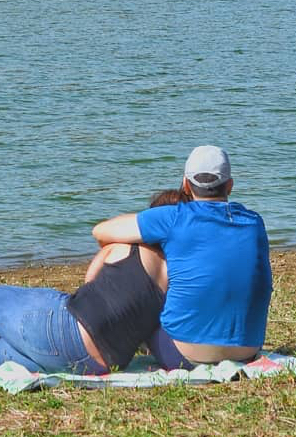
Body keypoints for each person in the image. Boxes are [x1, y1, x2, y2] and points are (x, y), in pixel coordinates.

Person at [0, 189, 181, 376]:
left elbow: (89, 281)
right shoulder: (177, 275)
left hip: (69, 333)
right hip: (98, 365)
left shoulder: (126, 247)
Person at [93, 145, 272, 368]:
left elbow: (100, 231)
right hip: (248, 348)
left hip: (184, 354)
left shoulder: (174, 217)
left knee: (136, 251)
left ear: (186, 184)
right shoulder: (254, 222)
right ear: (230, 185)